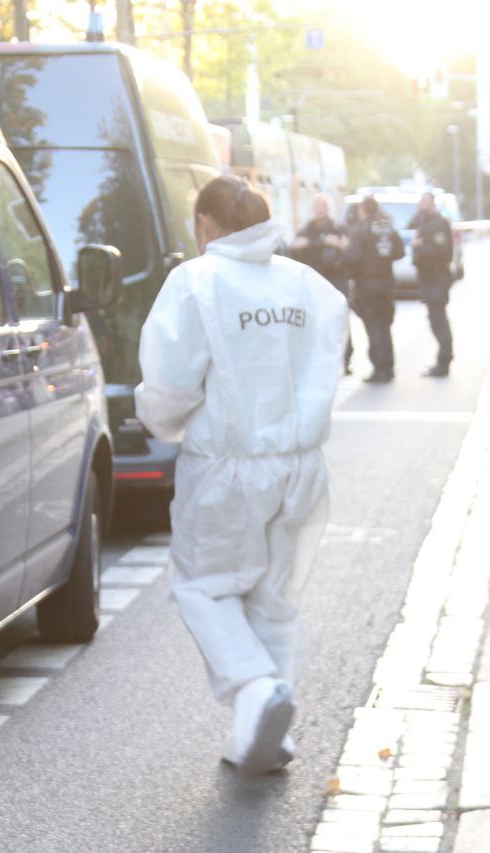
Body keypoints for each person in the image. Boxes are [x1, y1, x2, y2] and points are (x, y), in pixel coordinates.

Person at [135, 175, 348, 774]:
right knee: (274, 598)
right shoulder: (308, 285)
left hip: (227, 466)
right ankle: (265, 734)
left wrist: (159, 422)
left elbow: (170, 382)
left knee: (204, 584)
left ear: (204, 225)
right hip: (302, 466)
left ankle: (255, 691)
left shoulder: (197, 281)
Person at [292, 193, 353, 374]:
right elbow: (297, 247)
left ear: (328, 207)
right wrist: (321, 242)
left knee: (340, 320)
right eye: (317, 205)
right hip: (315, 282)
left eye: (323, 205)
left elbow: (349, 250)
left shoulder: (339, 227)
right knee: (316, 322)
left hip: (337, 280)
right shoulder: (307, 229)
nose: (320, 209)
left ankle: (346, 360)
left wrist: (338, 245)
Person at [345, 196, 403, 383]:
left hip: (367, 284)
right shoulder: (387, 227)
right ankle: (389, 367)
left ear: (362, 210)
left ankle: (380, 368)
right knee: (385, 325)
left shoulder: (359, 230)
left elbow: (353, 257)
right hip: (387, 282)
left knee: (373, 326)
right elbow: (399, 252)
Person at [411, 192, 454, 378]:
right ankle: (442, 360)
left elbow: (441, 251)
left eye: (424, 201)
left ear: (432, 203)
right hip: (429, 278)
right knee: (435, 319)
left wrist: (419, 246)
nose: (420, 204)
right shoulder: (425, 222)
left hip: (437, 277)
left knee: (439, 320)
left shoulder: (437, 224)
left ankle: (444, 361)